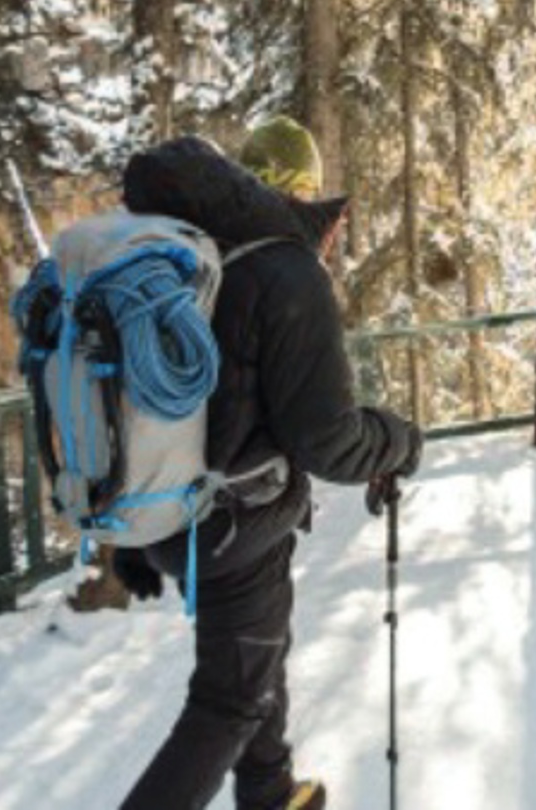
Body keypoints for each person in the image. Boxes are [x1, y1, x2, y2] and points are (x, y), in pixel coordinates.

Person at [110, 120, 421, 810]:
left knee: (255, 651)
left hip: (168, 510)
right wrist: (399, 441)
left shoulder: (183, 260)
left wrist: (124, 534)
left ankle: (271, 790)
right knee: (230, 699)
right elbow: (327, 440)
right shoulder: (284, 271)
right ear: (301, 192)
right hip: (231, 521)